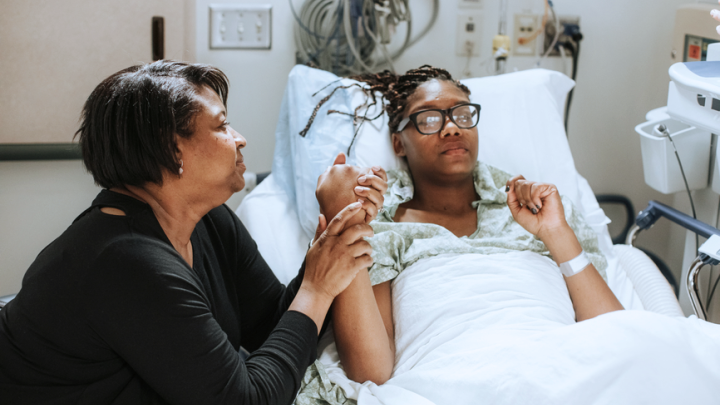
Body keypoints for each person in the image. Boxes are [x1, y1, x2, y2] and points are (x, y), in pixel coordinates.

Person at [0, 60, 388, 405]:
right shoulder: (126, 262)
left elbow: (271, 323)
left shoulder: (207, 220)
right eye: (221, 125)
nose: (240, 138)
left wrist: (329, 244)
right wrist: (317, 288)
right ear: (173, 152)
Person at [312, 65, 624, 386]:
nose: (451, 128)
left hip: (564, 373)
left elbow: (617, 333)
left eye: (462, 114)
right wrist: (347, 220)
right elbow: (370, 371)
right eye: (429, 118)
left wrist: (556, 233)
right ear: (398, 144)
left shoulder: (539, 209)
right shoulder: (383, 227)